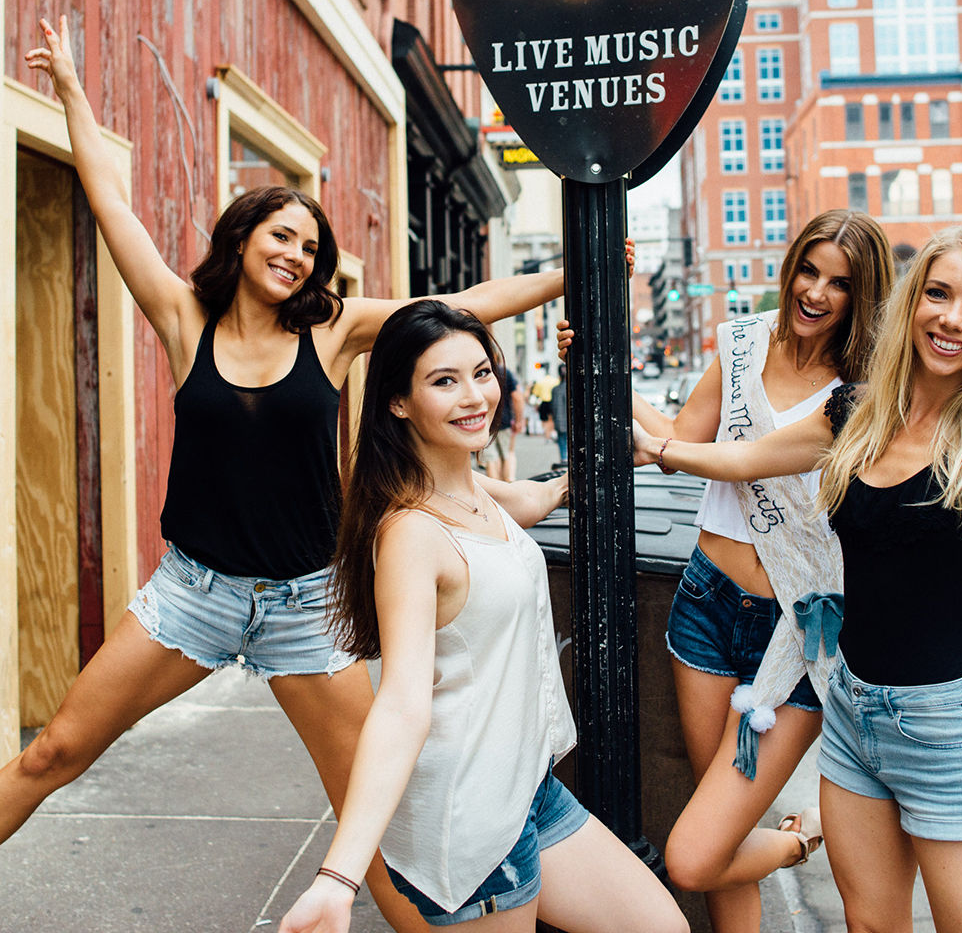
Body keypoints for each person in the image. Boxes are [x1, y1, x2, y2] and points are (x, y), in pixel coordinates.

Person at [8, 17, 567, 931]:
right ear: (242, 239)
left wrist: (564, 278)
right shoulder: (184, 319)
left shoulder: (336, 331)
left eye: (309, 244)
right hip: (191, 595)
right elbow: (110, 202)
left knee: (369, 814)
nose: (295, 254)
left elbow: (454, 307)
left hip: (308, 606)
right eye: (280, 235)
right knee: (54, 750)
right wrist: (72, 91)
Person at [557, 62, 962, 933]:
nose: (951, 317)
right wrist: (610, 369)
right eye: (935, 296)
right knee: (855, 916)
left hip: (899, 691)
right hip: (821, 683)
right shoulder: (844, 408)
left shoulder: (958, 414)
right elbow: (726, 456)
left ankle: (798, 842)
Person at [277, 301, 688, 933]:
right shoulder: (412, 532)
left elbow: (528, 499)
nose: (474, 397)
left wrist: (607, 463)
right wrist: (339, 877)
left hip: (526, 790)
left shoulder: (469, 488)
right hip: (470, 822)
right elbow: (402, 705)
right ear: (397, 402)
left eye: (482, 372)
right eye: (444, 381)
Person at [478, 364, 524, 481]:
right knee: (508, 454)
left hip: (485, 421)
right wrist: (519, 420)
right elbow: (517, 397)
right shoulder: (505, 372)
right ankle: (509, 483)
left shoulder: (478, 372)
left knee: (491, 459)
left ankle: (497, 493)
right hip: (504, 421)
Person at [551, 363, 569, 465]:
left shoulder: (555, 390)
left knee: (562, 440)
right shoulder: (573, 388)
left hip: (560, 420)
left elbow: (554, 406)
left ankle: (563, 458)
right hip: (570, 420)